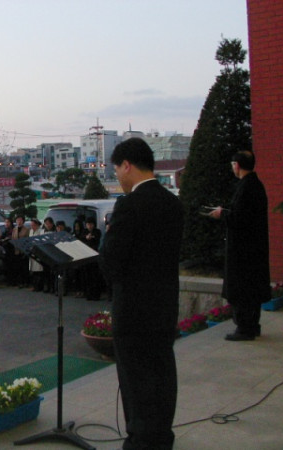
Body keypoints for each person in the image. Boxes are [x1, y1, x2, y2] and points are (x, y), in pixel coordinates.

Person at [99, 137, 183, 450]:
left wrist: (108, 237)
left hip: (134, 310)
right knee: (162, 372)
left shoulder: (129, 205)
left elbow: (111, 263)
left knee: (136, 379)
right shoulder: (172, 203)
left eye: (116, 170)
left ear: (127, 165)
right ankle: (162, 437)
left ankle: (142, 440)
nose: (117, 176)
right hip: (164, 306)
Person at [208, 150, 271, 341]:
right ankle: (253, 324)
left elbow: (239, 219)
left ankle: (244, 328)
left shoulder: (245, 187)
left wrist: (222, 214)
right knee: (253, 289)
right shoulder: (256, 185)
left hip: (242, 251)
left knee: (241, 288)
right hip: (255, 248)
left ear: (237, 165)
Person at [82, 216, 102, 301]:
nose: (89, 226)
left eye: (91, 224)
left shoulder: (97, 231)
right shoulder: (84, 232)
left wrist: (91, 237)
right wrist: (86, 237)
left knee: (95, 275)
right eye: (88, 224)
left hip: (94, 255)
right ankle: (88, 294)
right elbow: (82, 239)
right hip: (86, 255)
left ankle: (96, 294)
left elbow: (97, 239)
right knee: (87, 275)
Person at [11, 215, 30, 288]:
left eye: (20, 220)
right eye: (17, 220)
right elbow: (13, 238)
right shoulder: (14, 229)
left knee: (24, 268)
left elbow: (28, 240)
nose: (19, 222)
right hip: (16, 250)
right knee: (18, 267)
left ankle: (26, 282)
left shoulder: (26, 229)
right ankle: (19, 282)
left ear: (23, 221)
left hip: (23, 251)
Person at [28, 219, 44, 291]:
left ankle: (39, 286)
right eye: (31, 225)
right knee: (33, 271)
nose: (32, 226)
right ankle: (34, 286)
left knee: (39, 270)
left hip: (38, 252)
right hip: (32, 251)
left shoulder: (41, 231)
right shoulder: (31, 231)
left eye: (33, 225)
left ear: (37, 225)